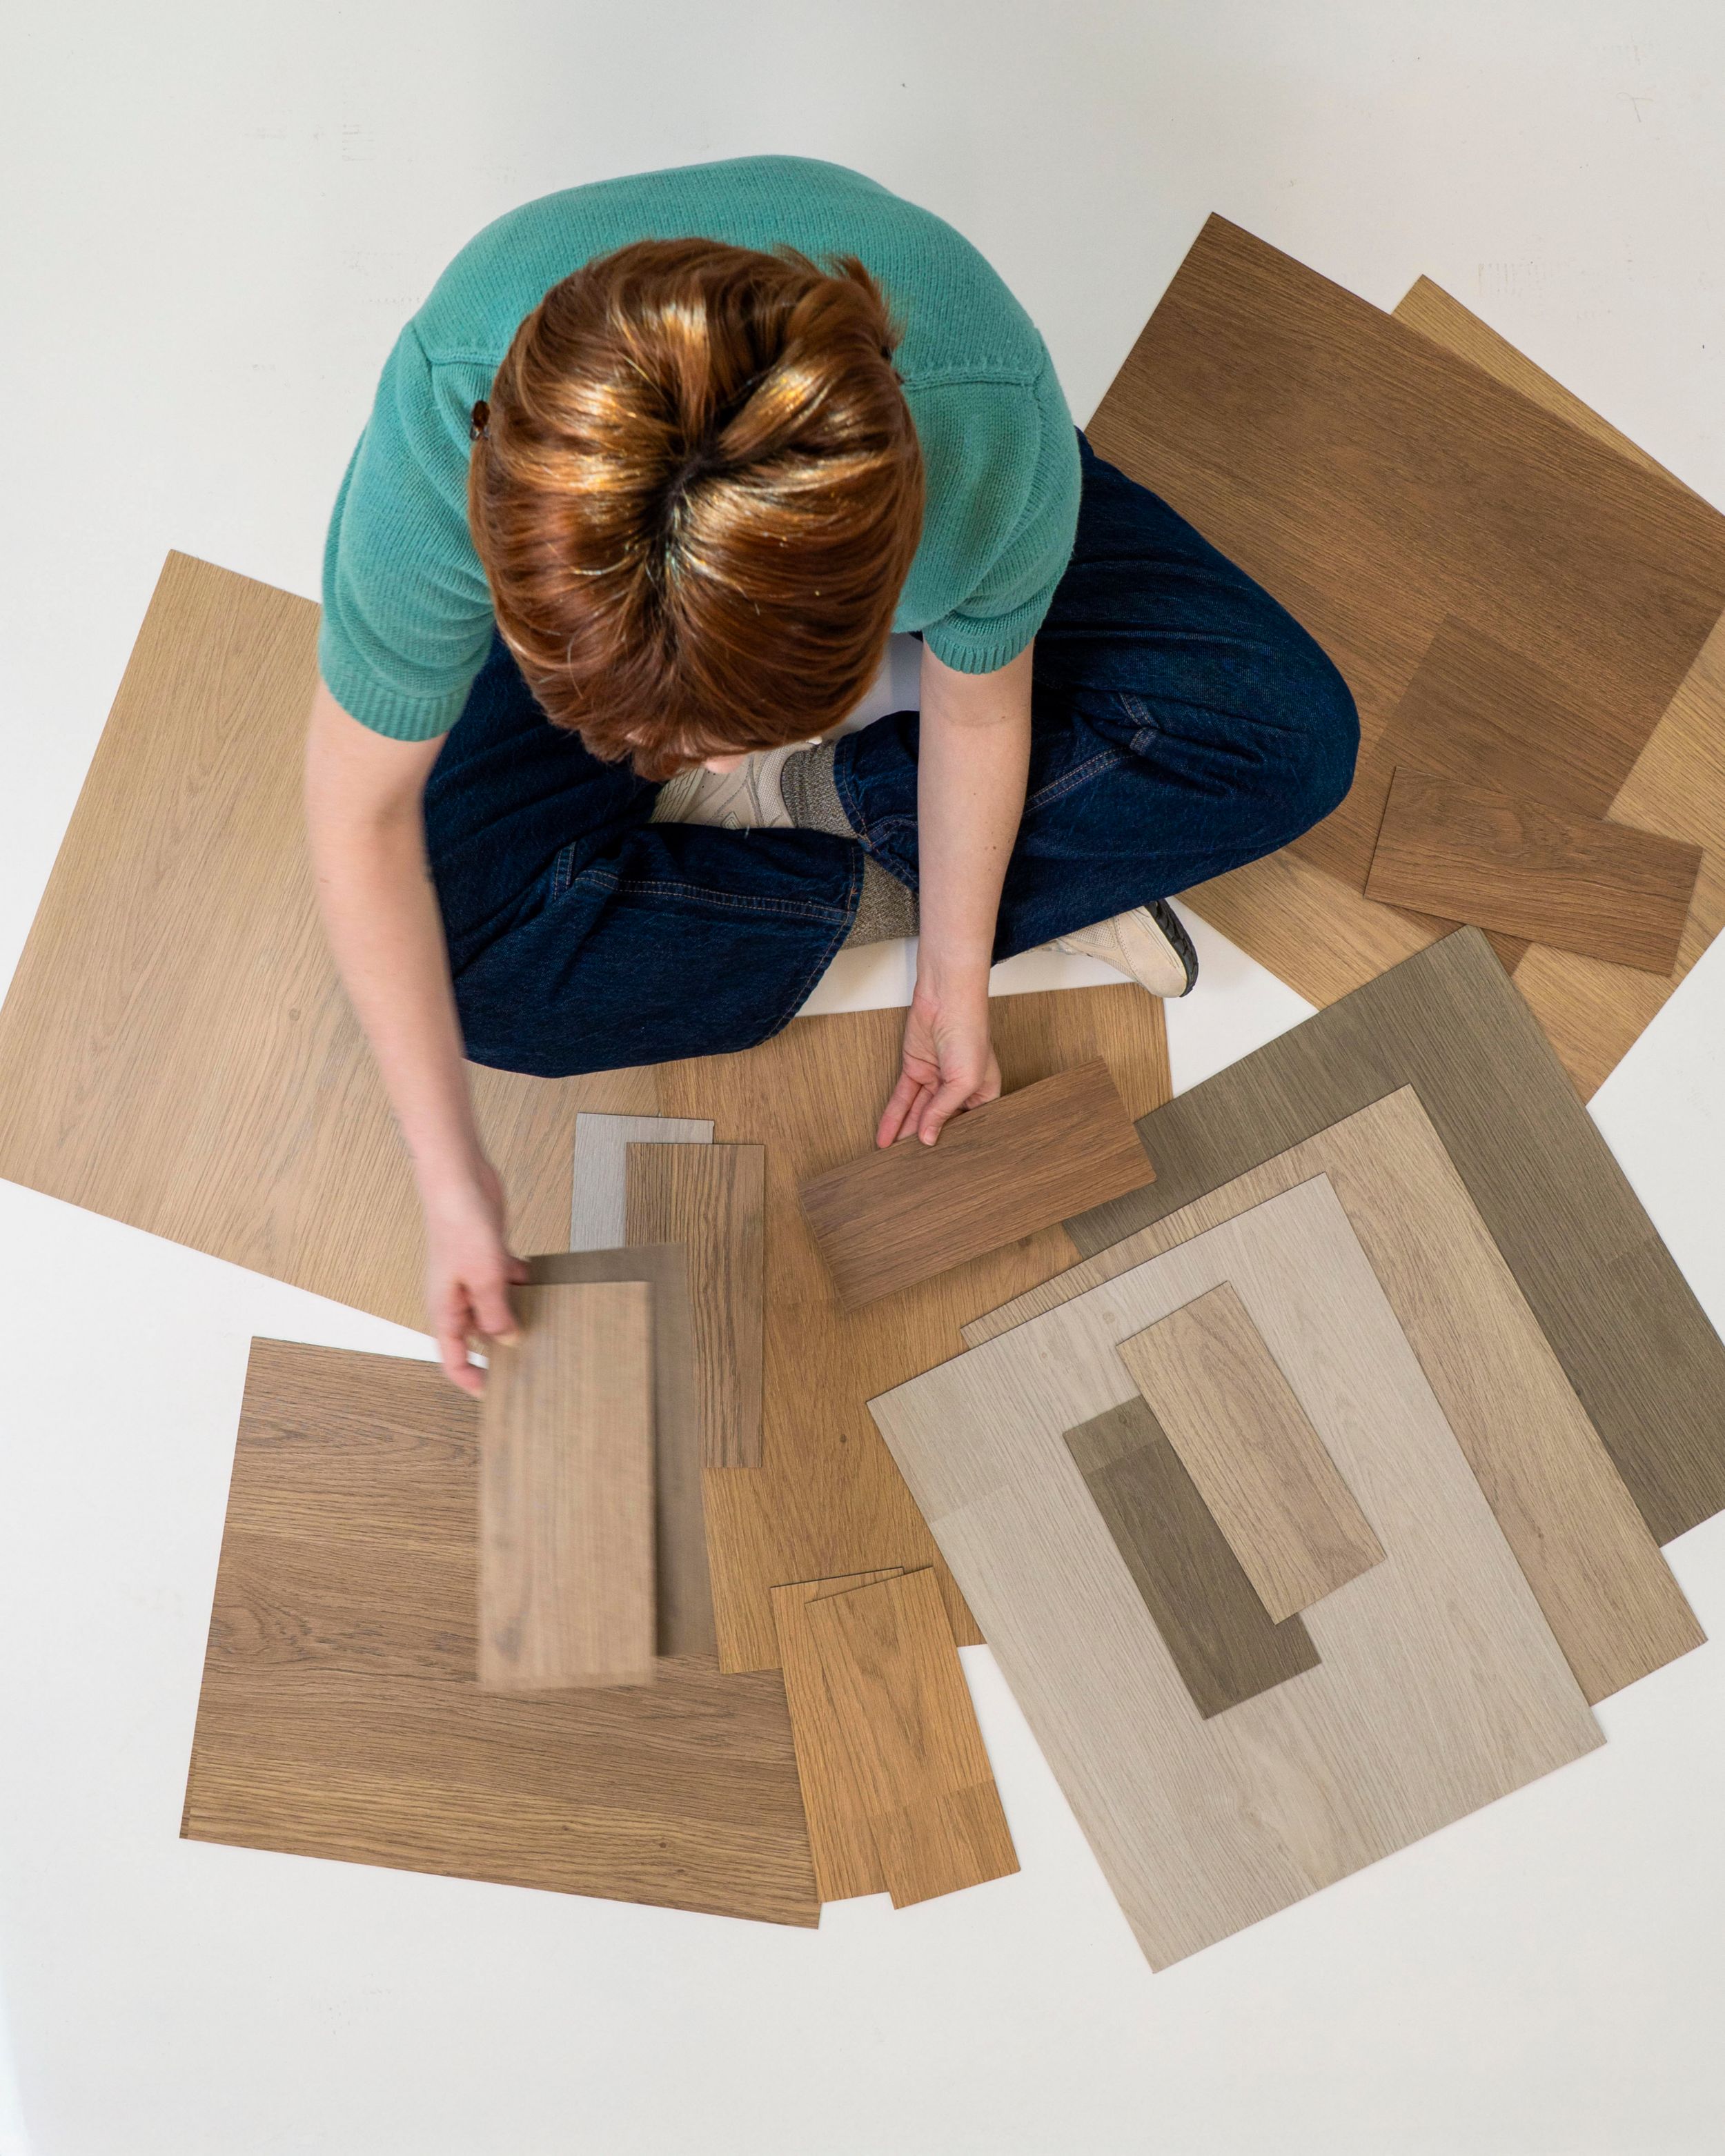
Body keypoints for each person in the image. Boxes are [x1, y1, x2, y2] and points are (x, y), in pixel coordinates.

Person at [304, 155, 1358, 1394]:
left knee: (1289, 738)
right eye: (665, 752)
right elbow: (354, 811)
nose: (681, 765)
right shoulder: (452, 433)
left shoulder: (983, 435)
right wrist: (452, 1178)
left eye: (726, 746)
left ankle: (790, 830)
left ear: (885, 604)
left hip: (913, 446)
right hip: (574, 518)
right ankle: (1011, 853)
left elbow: (978, 711)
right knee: (463, 971)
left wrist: (954, 981)